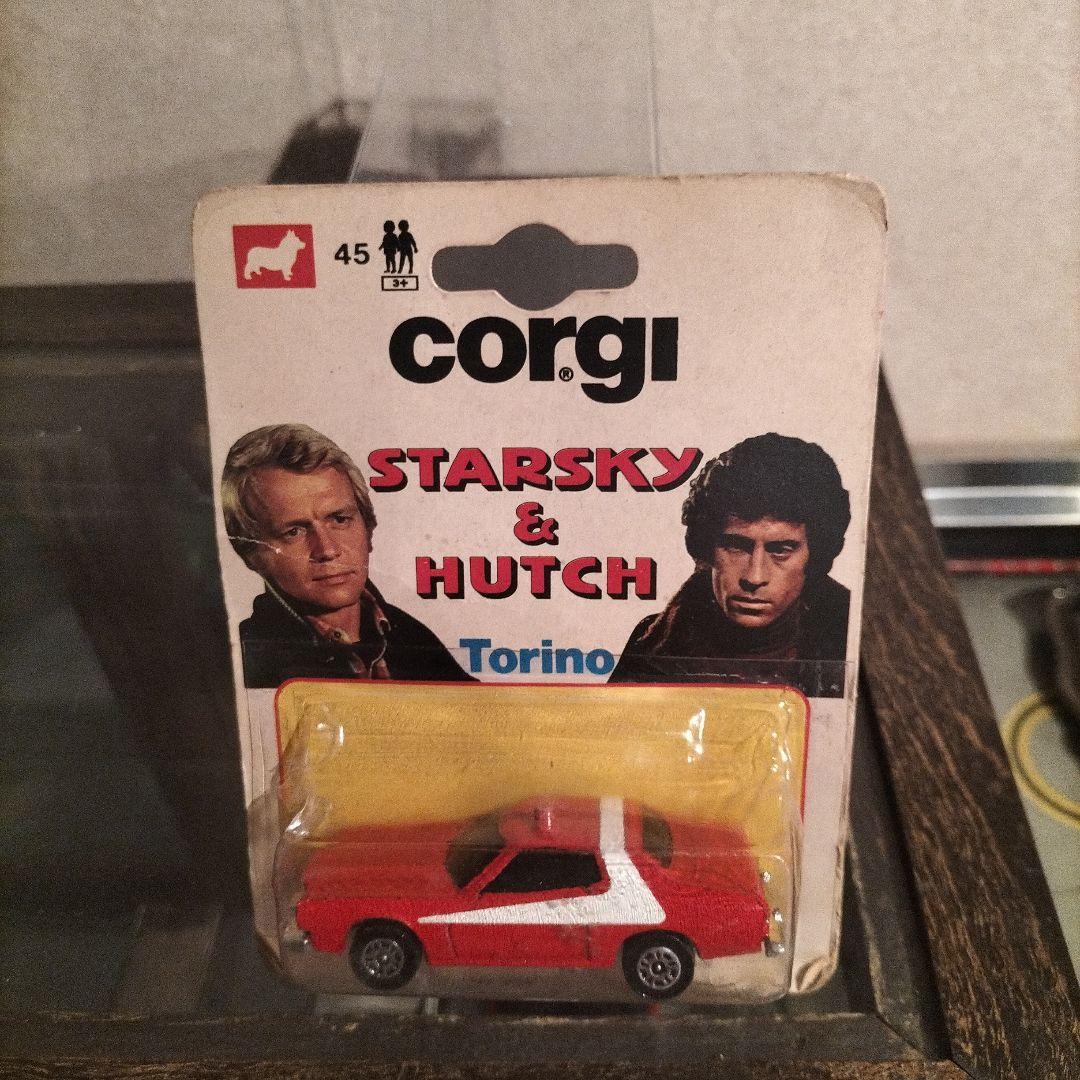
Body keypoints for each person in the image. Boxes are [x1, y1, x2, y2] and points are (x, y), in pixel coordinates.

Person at [222, 424, 471, 687]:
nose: (327, 550)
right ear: (249, 552)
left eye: (340, 519)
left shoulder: (413, 636)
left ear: (369, 529)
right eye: (293, 532)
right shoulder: (241, 664)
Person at [609, 433, 851, 696]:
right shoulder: (650, 644)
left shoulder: (848, 639)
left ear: (815, 556)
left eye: (780, 551)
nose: (754, 577)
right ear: (707, 549)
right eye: (736, 546)